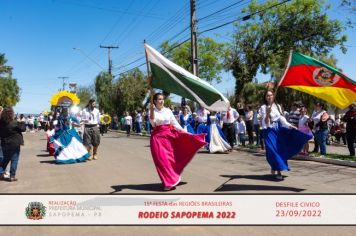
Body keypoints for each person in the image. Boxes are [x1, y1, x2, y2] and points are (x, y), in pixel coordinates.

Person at [149, 93, 206, 191]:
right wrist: (151, 112)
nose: (161, 101)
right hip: (157, 138)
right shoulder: (152, 111)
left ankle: (169, 180)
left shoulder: (168, 111)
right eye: (159, 99)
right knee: (161, 161)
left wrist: (186, 133)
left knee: (170, 160)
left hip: (168, 138)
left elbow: (175, 124)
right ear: (154, 101)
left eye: (162, 99)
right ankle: (168, 181)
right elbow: (153, 124)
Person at [260, 90, 312, 180]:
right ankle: (275, 166)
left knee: (279, 150)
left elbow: (281, 118)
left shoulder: (278, 106)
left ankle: (278, 170)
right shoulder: (263, 107)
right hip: (269, 131)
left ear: (273, 96)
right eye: (267, 95)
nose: (269, 97)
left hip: (278, 130)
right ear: (265, 97)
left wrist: (290, 125)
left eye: (271, 95)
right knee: (272, 151)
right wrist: (268, 113)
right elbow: (266, 122)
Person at [0, 107, 26, 182]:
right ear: (11, 114)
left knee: (5, 159)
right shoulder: (14, 123)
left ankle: (0, 173)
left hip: (4, 143)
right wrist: (21, 121)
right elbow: (23, 128)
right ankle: (12, 176)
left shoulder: (1, 122)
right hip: (14, 143)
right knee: (14, 159)